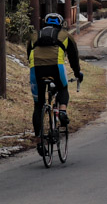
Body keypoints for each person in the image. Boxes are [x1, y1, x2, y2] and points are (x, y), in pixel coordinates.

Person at [28, 12, 83, 150]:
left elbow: (28, 54)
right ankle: (62, 112)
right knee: (63, 88)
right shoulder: (65, 35)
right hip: (56, 68)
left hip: (36, 68)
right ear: (61, 24)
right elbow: (73, 57)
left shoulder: (34, 36)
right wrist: (77, 73)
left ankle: (39, 140)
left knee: (38, 105)